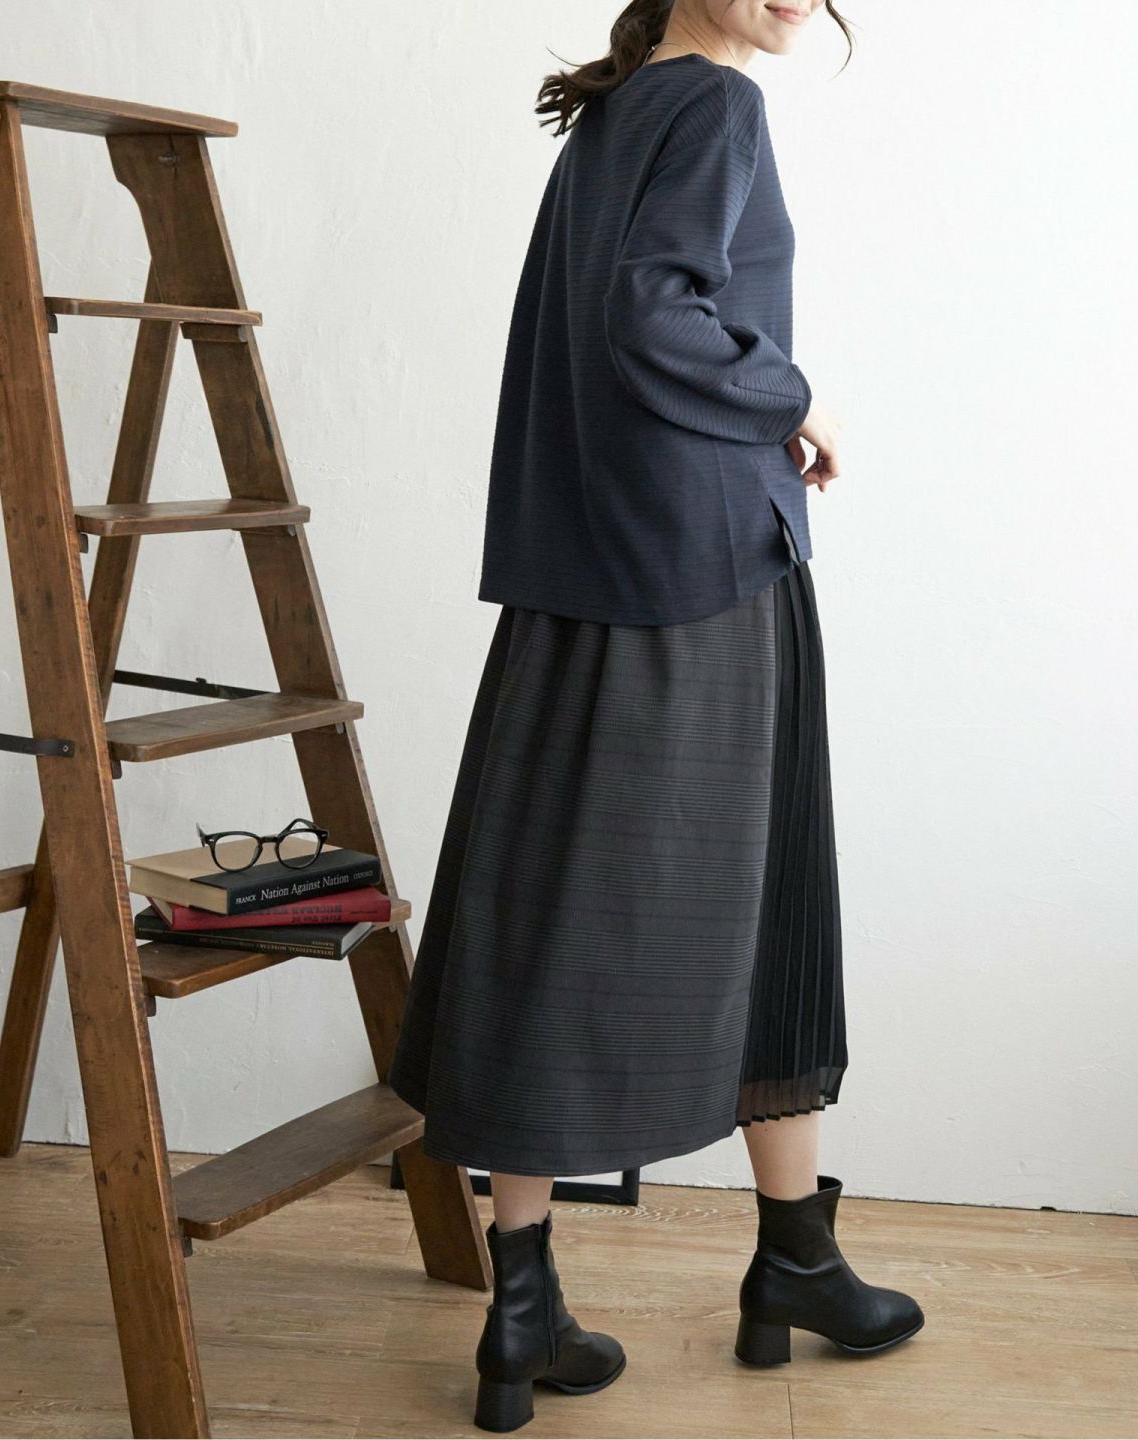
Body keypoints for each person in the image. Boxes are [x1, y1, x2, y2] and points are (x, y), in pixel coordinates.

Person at [388, 1, 924, 1430]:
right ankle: (789, 1260)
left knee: (549, 907)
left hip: (587, 577)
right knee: (763, 904)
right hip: (697, 577)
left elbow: (610, 322)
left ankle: (538, 1294)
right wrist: (793, 396)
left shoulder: (618, 107)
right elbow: (650, 316)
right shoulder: (714, 104)